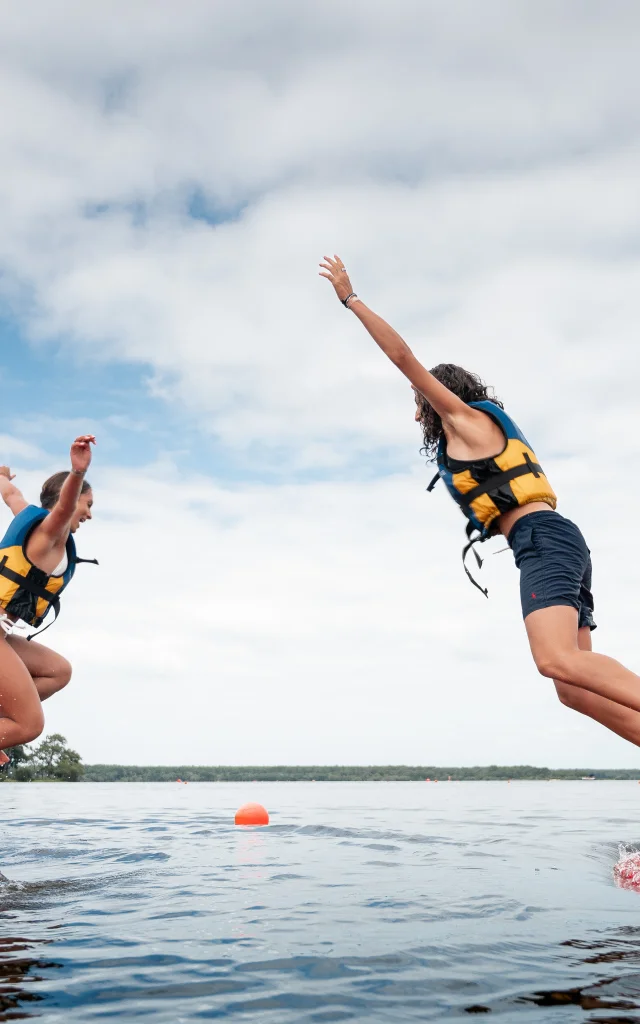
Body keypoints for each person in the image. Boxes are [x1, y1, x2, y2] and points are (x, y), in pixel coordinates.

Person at [320, 255, 640, 748]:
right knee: (571, 689)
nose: (417, 414)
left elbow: (404, 359)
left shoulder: (464, 419)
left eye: (419, 403)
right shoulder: (483, 430)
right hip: (557, 540)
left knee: (555, 661)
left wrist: (351, 299)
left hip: (543, 539)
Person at [0, 435, 96, 765]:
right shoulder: (51, 532)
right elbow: (66, 507)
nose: (89, 514)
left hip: (1, 634)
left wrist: (1, 476)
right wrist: (77, 472)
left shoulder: (27, 516)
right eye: (89, 504)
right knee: (29, 724)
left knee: (58, 671)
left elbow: (11, 495)